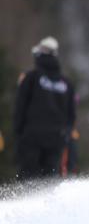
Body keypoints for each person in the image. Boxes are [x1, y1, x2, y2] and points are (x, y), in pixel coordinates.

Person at [13, 36, 76, 180]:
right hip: (56, 139)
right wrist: (65, 135)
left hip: (31, 137)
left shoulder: (30, 78)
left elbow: (20, 108)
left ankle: (26, 202)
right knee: (49, 182)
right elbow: (71, 116)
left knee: (28, 179)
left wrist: (18, 133)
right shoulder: (67, 84)